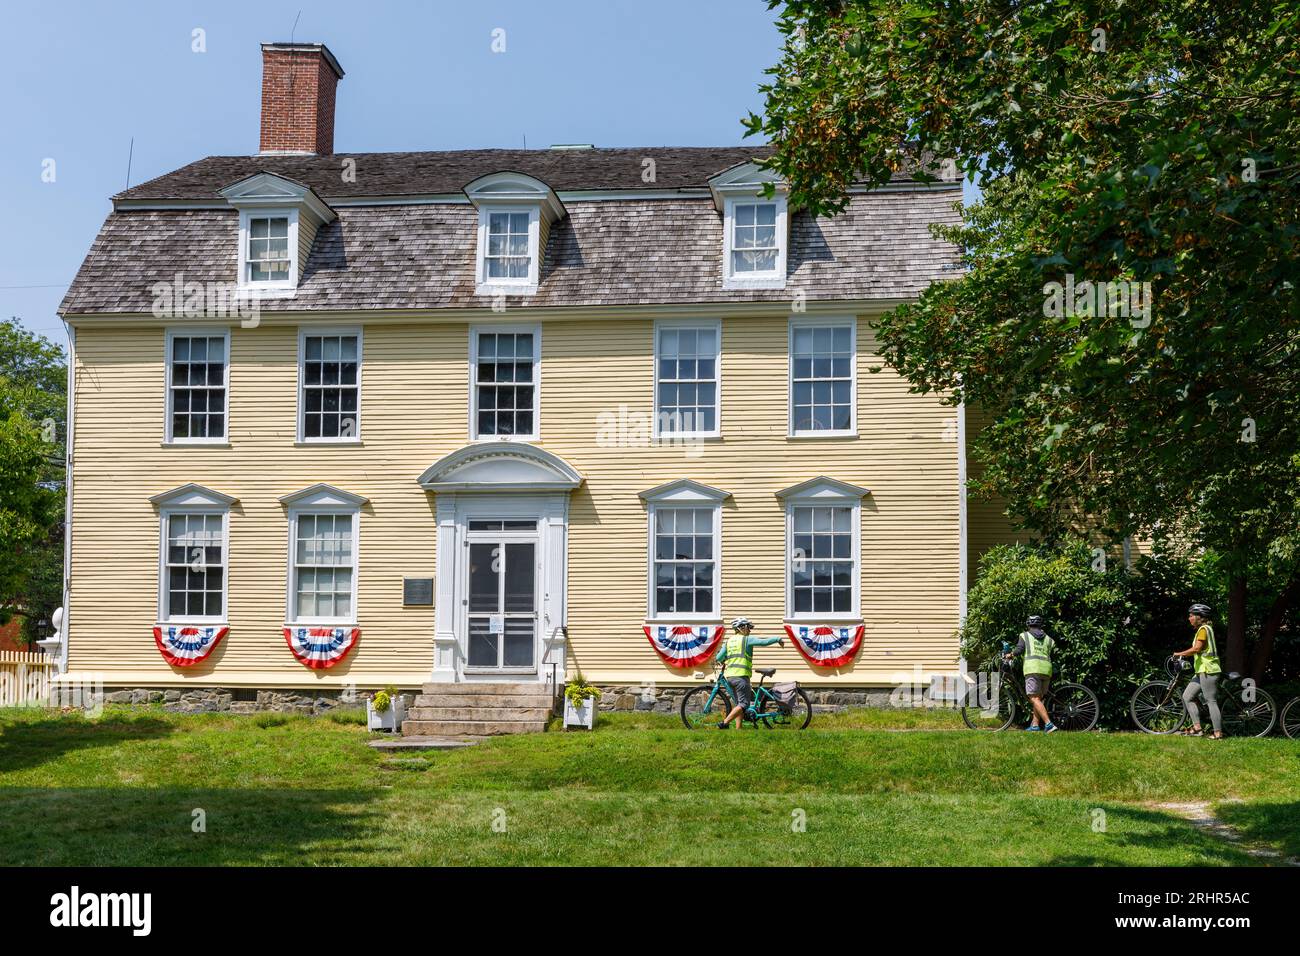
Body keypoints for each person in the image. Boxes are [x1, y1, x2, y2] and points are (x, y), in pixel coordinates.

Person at [716, 618, 784, 730]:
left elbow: (719, 657)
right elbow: (764, 642)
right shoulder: (746, 640)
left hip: (730, 677)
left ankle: (739, 729)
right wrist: (778, 638)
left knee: (739, 704)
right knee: (744, 705)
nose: (750, 630)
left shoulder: (729, 641)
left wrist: (725, 658)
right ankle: (724, 723)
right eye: (748, 627)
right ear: (741, 628)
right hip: (741, 677)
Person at [1174, 603, 1223, 738]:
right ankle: (1197, 728)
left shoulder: (1203, 629)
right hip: (1201, 671)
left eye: (1191, 616)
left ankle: (1218, 733)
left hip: (1209, 670)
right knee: (1187, 696)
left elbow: (1197, 649)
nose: (1189, 618)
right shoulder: (1204, 629)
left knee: (1210, 701)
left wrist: (1179, 654)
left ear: (1198, 617)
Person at [1006, 615, 1057, 732]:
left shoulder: (1025, 635)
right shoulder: (1048, 639)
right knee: (1038, 698)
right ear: (1040, 625)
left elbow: (1019, 649)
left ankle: (1049, 724)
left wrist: (1010, 655)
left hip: (1032, 668)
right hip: (1046, 670)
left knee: (1033, 698)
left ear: (1028, 625)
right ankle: (1035, 725)